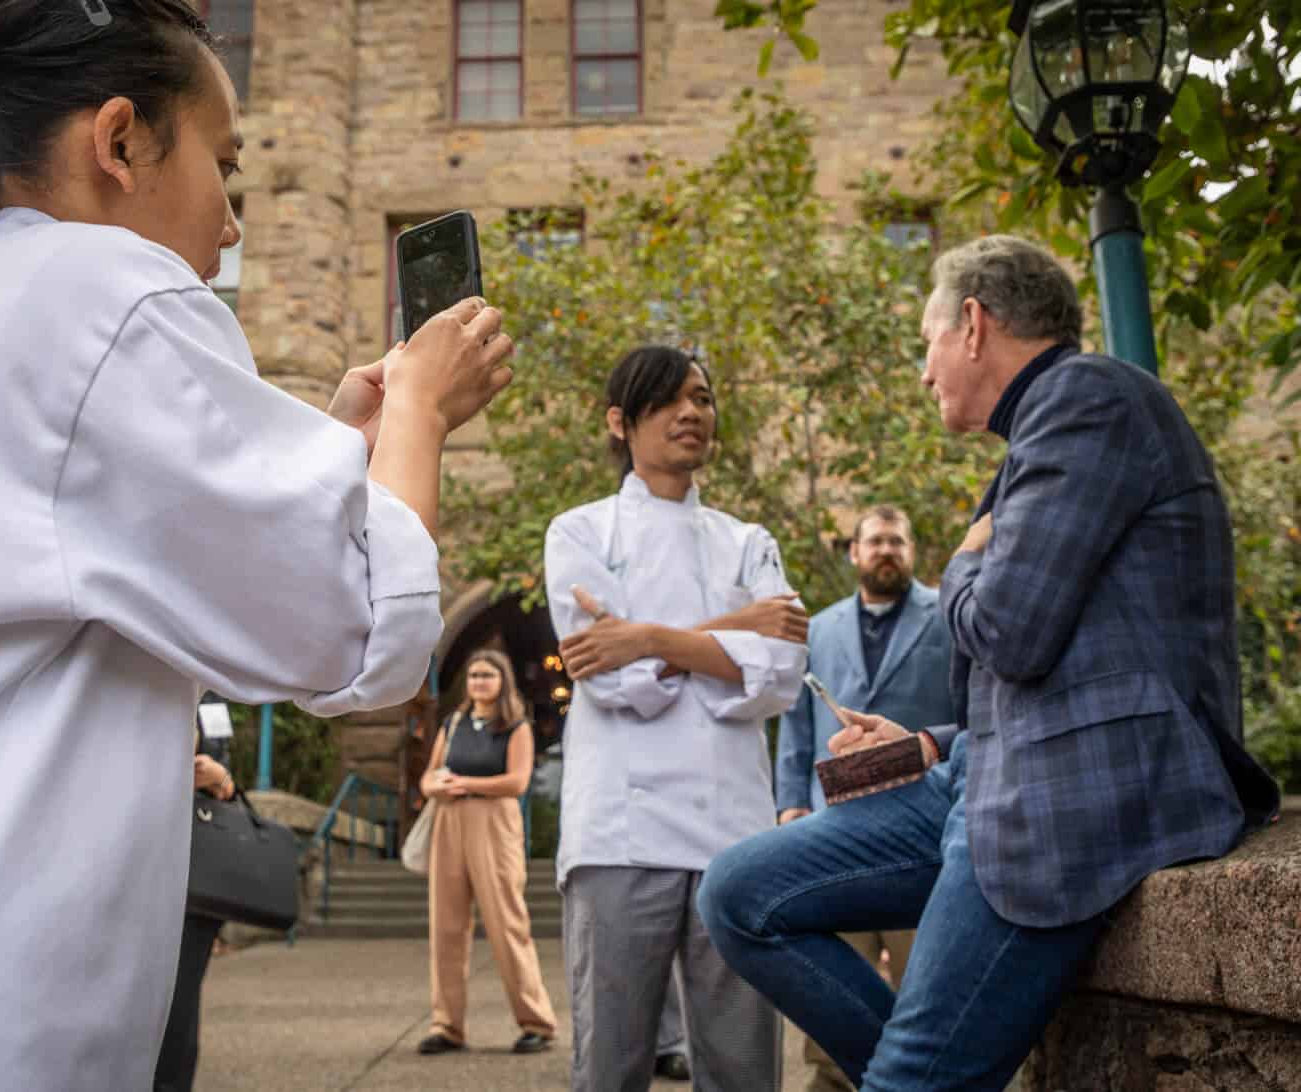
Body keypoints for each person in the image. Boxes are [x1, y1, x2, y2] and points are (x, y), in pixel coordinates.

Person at [0, 1, 514, 1087]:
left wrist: (335, 445)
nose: (232, 222)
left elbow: (150, 566)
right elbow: (351, 633)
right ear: (118, 143)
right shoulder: (113, 292)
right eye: (222, 166)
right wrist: (421, 413)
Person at [699, 235, 1281, 1091]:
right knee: (738, 893)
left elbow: (1010, 630)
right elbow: (1049, 656)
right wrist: (931, 741)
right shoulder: (1045, 433)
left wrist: (965, 559)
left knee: (910, 1075)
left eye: (927, 343)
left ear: (973, 324)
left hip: (1074, 791)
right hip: (978, 770)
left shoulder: (1089, 398)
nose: (925, 373)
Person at [545, 345, 810, 1092]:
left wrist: (651, 636)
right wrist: (735, 630)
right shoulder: (579, 533)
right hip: (619, 835)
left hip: (734, 829)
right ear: (620, 422)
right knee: (611, 1063)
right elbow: (611, 676)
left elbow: (781, 672)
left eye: (702, 398)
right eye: (667, 400)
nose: (691, 413)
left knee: (743, 1065)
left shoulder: (748, 540)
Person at [774, 505, 955, 1092]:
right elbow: (797, 726)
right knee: (834, 984)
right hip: (835, 828)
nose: (886, 551)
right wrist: (789, 805)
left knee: (921, 985)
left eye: (897, 542)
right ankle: (831, 1081)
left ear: (912, 552)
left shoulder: (949, 619)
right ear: (853, 552)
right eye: (875, 541)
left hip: (921, 826)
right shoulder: (820, 627)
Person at [417, 649, 559, 1056]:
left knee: (506, 923)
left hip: (494, 823)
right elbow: (428, 776)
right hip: (449, 821)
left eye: (488, 675)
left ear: (503, 681)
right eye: (475, 674)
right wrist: (437, 787)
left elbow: (517, 781)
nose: (479, 681)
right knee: (446, 927)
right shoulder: (454, 722)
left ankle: (536, 1021)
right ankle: (446, 1025)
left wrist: (467, 784)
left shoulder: (515, 727)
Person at [154, 746, 238, 1092]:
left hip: (194, 882)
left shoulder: (214, 700)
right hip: (128, 866)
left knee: (180, 1005)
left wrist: (220, 777)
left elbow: (229, 794)